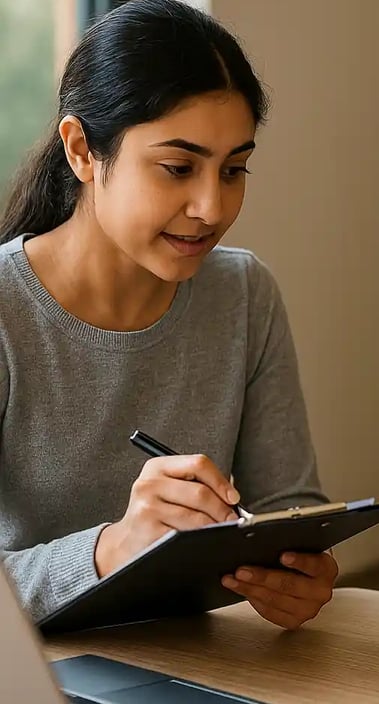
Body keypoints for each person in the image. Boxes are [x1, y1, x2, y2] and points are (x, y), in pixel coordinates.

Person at [0, 0, 338, 630]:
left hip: (195, 664)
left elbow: (291, 506)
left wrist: (298, 572)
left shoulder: (243, 294)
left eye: (234, 169)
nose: (211, 206)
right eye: (178, 168)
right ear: (81, 152)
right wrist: (111, 550)